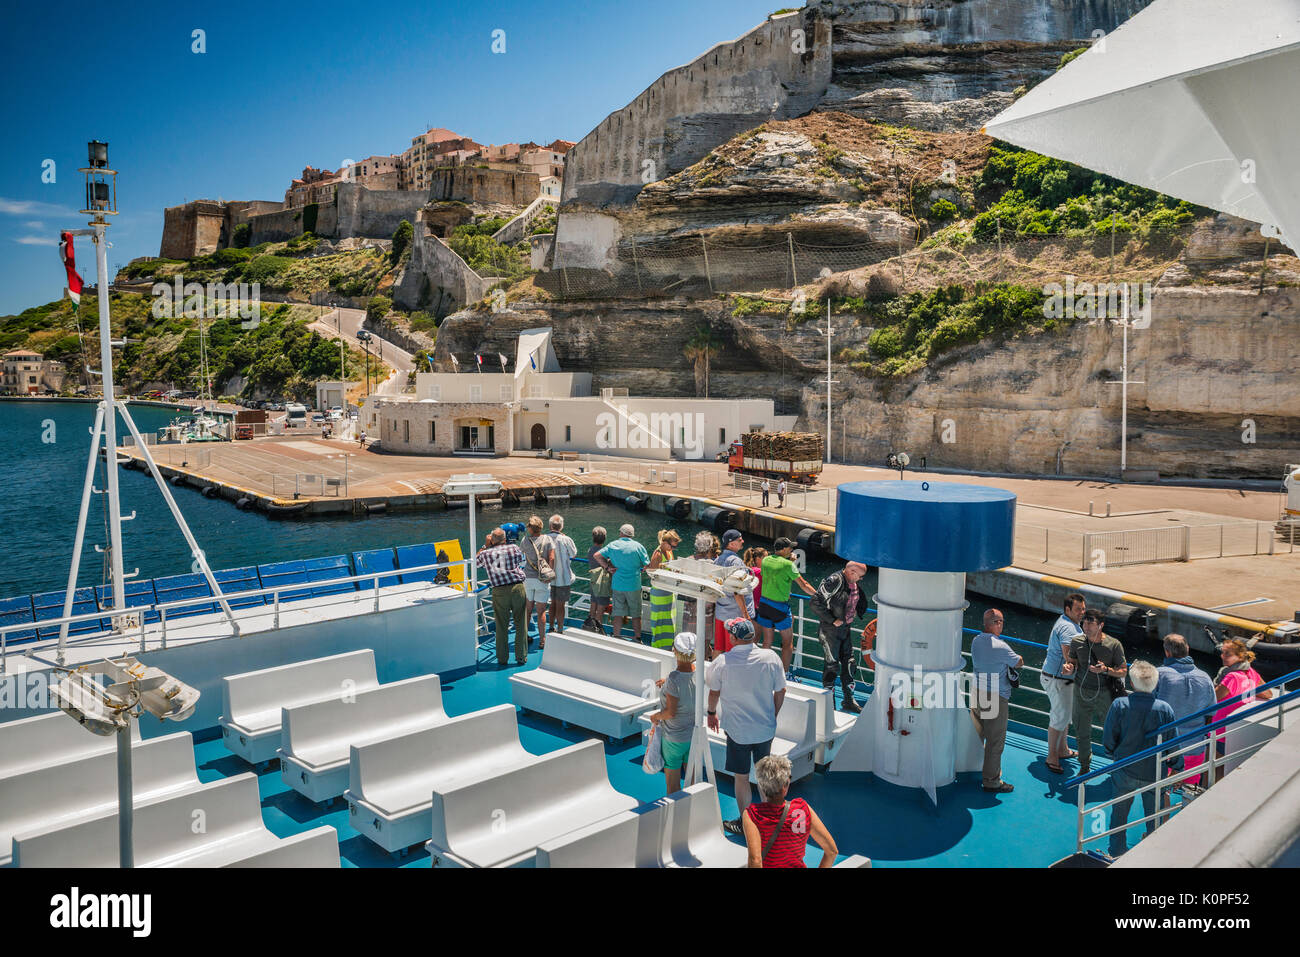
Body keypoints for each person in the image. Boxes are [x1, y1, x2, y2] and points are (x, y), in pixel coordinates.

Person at [708, 617, 786, 835]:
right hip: (765, 730)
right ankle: (770, 822)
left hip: (738, 732)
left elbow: (713, 692)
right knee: (764, 777)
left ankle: (746, 824)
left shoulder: (723, 662)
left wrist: (711, 713)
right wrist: (772, 715)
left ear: (734, 638)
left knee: (741, 778)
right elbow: (781, 690)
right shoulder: (771, 657)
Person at [1102, 661, 1180, 857]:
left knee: (1119, 815)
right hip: (1154, 772)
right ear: (1155, 684)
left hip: (1124, 769)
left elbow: (1109, 738)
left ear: (1132, 683)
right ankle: (1152, 855)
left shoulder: (1120, 705)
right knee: (1154, 816)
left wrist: (1113, 755)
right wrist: (1177, 766)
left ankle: (1117, 852)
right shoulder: (1165, 709)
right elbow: (1172, 742)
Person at [742, 754, 837, 868]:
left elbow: (756, 861)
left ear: (761, 785)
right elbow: (832, 851)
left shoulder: (752, 814)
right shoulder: (803, 809)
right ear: (785, 785)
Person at [1066, 609, 1128, 773]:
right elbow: (1072, 662)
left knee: (1112, 730)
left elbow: (1123, 671)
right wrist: (1069, 667)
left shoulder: (1113, 645)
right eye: (1084, 622)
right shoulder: (1076, 641)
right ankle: (1084, 765)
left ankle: (1118, 764)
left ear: (1101, 625)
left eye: (1090, 623)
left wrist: (1105, 670)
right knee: (1081, 730)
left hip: (1105, 693)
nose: (1086, 626)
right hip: (1081, 691)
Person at [970, 608, 1022, 793]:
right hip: (996, 696)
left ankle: (972, 769)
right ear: (997, 623)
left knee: (977, 735)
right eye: (1001, 622)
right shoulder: (1001, 646)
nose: (1002, 625)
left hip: (977, 692)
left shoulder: (976, 641)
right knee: (995, 741)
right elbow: (1019, 662)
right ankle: (991, 781)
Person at [1208, 638, 1272, 782]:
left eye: (1227, 654)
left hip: (1219, 730)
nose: (1222, 656)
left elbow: (1213, 699)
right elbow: (1268, 693)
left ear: (1240, 657)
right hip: (1235, 729)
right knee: (1223, 769)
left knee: (1211, 768)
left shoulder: (1231, 676)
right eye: (1222, 652)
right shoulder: (1251, 672)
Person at [810, 561, 869, 714]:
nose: (861, 579)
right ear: (852, 572)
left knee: (850, 664)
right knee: (832, 666)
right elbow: (814, 602)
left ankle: (848, 700)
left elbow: (854, 599)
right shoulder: (834, 581)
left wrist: (857, 612)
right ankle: (829, 704)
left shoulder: (852, 582)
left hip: (844, 629)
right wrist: (832, 620)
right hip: (830, 630)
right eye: (860, 576)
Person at [756, 538, 816, 679]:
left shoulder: (766, 560)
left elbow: (776, 574)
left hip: (764, 604)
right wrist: (819, 595)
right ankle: (785, 674)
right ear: (783, 549)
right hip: (779, 607)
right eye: (790, 548)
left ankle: (763, 670)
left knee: (767, 641)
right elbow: (804, 585)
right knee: (787, 643)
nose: (792, 550)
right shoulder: (789, 565)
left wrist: (790, 562)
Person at [647, 633, 697, 795]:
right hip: (693, 736)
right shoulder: (698, 673)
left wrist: (655, 717)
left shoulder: (673, 679)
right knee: (693, 785)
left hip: (673, 739)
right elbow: (686, 680)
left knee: (673, 788)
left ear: (675, 650)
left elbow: (670, 712)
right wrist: (667, 682)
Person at [1043, 593, 1086, 773]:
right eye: (1078, 609)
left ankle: (1062, 749)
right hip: (1058, 679)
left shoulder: (1069, 622)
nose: (1082, 612)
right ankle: (1052, 757)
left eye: (1083, 609)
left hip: (1060, 678)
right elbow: (1069, 656)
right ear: (1068, 609)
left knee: (1065, 715)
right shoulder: (1068, 628)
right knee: (1059, 717)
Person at [474, 528, 528, 667]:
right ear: (504, 539)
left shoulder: (485, 553)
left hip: (499, 591)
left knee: (501, 625)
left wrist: (485, 545)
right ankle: (521, 656)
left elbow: (475, 563)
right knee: (521, 623)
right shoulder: (514, 548)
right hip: (517, 588)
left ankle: (502, 658)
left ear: (492, 540)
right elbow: (521, 561)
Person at [595, 523, 650, 641]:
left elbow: (597, 556)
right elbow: (647, 565)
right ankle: (637, 638)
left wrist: (607, 567)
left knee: (618, 613)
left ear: (621, 533)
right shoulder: (638, 547)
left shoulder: (613, 545)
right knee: (636, 614)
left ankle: (616, 636)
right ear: (632, 535)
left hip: (618, 585)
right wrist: (641, 569)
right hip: (634, 585)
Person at [712, 530, 753, 657]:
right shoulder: (736, 562)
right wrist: (746, 614)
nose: (743, 541)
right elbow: (737, 590)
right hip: (735, 615)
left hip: (721, 611)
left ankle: (715, 668)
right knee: (734, 651)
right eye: (740, 540)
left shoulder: (718, 560)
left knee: (718, 648)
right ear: (731, 544)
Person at [519, 516, 555, 648]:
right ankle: (542, 640)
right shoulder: (548, 539)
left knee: (528, 610)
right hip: (542, 580)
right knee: (541, 612)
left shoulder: (525, 540)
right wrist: (549, 574)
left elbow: (520, 555)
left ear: (530, 528)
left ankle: (524, 636)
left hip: (528, 579)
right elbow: (552, 558)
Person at [681, 531, 717, 644]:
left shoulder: (687, 561)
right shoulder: (712, 564)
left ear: (696, 546)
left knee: (688, 637)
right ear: (709, 547)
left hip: (690, 603)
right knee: (705, 639)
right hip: (706, 605)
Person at [647, 530, 681, 647]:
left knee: (669, 621)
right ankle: (657, 646)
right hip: (659, 592)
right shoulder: (657, 554)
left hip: (668, 591)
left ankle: (667, 646)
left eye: (675, 547)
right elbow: (651, 574)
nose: (673, 549)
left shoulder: (669, 551)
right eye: (672, 546)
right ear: (665, 543)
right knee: (659, 621)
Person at [547, 514, 578, 639]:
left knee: (552, 604)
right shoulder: (566, 539)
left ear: (550, 526)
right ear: (561, 526)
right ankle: (560, 630)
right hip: (563, 577)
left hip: (548, 578)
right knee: (561, 605)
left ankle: (550, 626)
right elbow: (574, 554)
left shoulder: (545, 538)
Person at [585, 526, 613, 630]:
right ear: (604, 538)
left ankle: (590, 625)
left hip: (593, 580)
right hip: (603, 582)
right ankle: (597, 628)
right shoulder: (604, 553)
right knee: (601, 607)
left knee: (593, 603)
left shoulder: (590, 550)